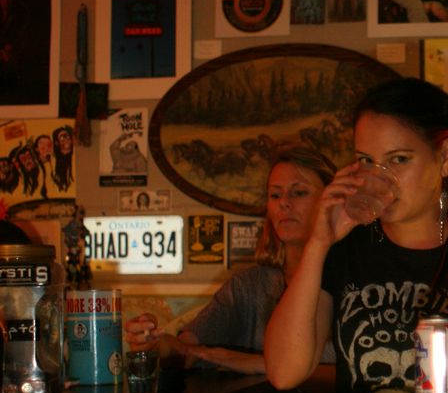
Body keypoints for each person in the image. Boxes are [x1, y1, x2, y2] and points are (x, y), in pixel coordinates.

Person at [265, 77, 448, 393]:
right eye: (367, 161)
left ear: (446, 157)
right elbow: (284, 372)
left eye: (398, 159)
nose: (379, 177)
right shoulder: (345, 249)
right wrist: (318, 244)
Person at [125, 146, 335, 375]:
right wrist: (152, 342)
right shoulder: (248, 287)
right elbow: (186, 351)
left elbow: (356, 374)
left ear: (332, 201)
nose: (284, 202)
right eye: (275, 195)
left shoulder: (354, 285)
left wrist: (260, 364)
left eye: (299, 192)